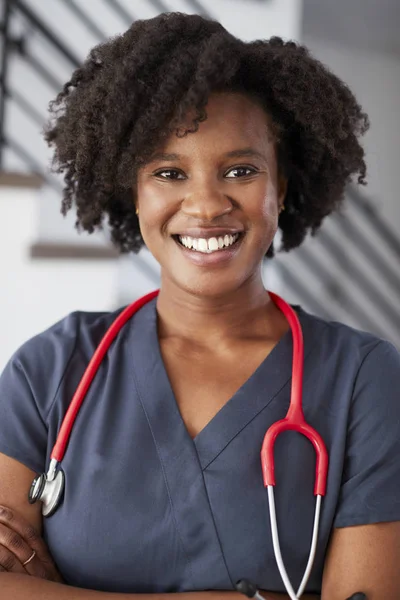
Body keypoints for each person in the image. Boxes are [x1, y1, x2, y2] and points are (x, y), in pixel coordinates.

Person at [0, 10, 399, 600]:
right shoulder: (52, 370)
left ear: (279, 189)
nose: (207, 205)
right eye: (168, 172)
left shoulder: (364, 379)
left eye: (241, 170)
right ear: (133, 191)